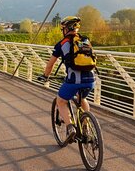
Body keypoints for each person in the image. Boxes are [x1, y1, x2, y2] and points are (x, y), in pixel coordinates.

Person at [38, 16, 95, 145]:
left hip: (74, 81)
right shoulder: (85, 40)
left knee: (61, 101)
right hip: (91, 79)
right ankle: (86, 126)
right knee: (82, 98)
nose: (62, 31)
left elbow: (50, 64)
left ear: (66, 29)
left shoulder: (62, 44)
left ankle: (70, 127)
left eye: (62, 28)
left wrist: (46, 76)